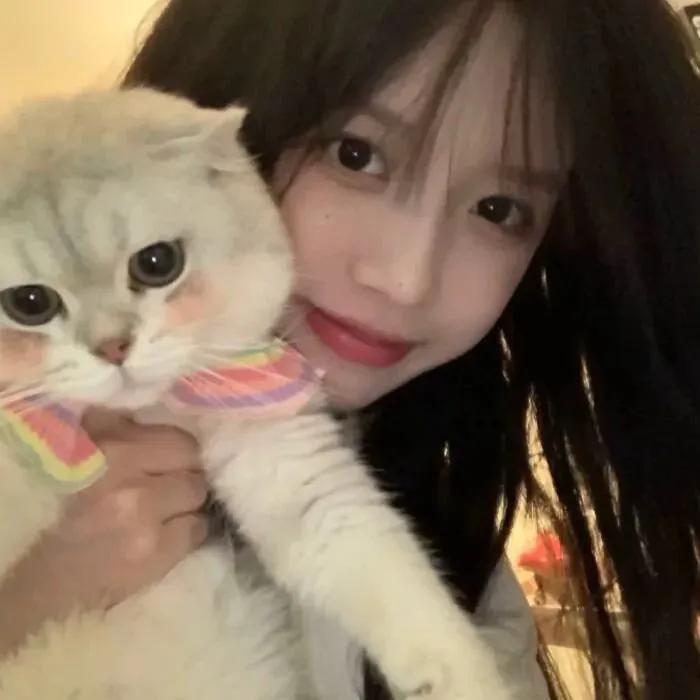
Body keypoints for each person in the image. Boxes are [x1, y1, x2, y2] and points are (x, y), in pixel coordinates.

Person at [1, 0, 698, 697]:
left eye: (498, 209)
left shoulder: (461, 547)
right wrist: (23, 604)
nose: (405, 278)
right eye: (356, 154)